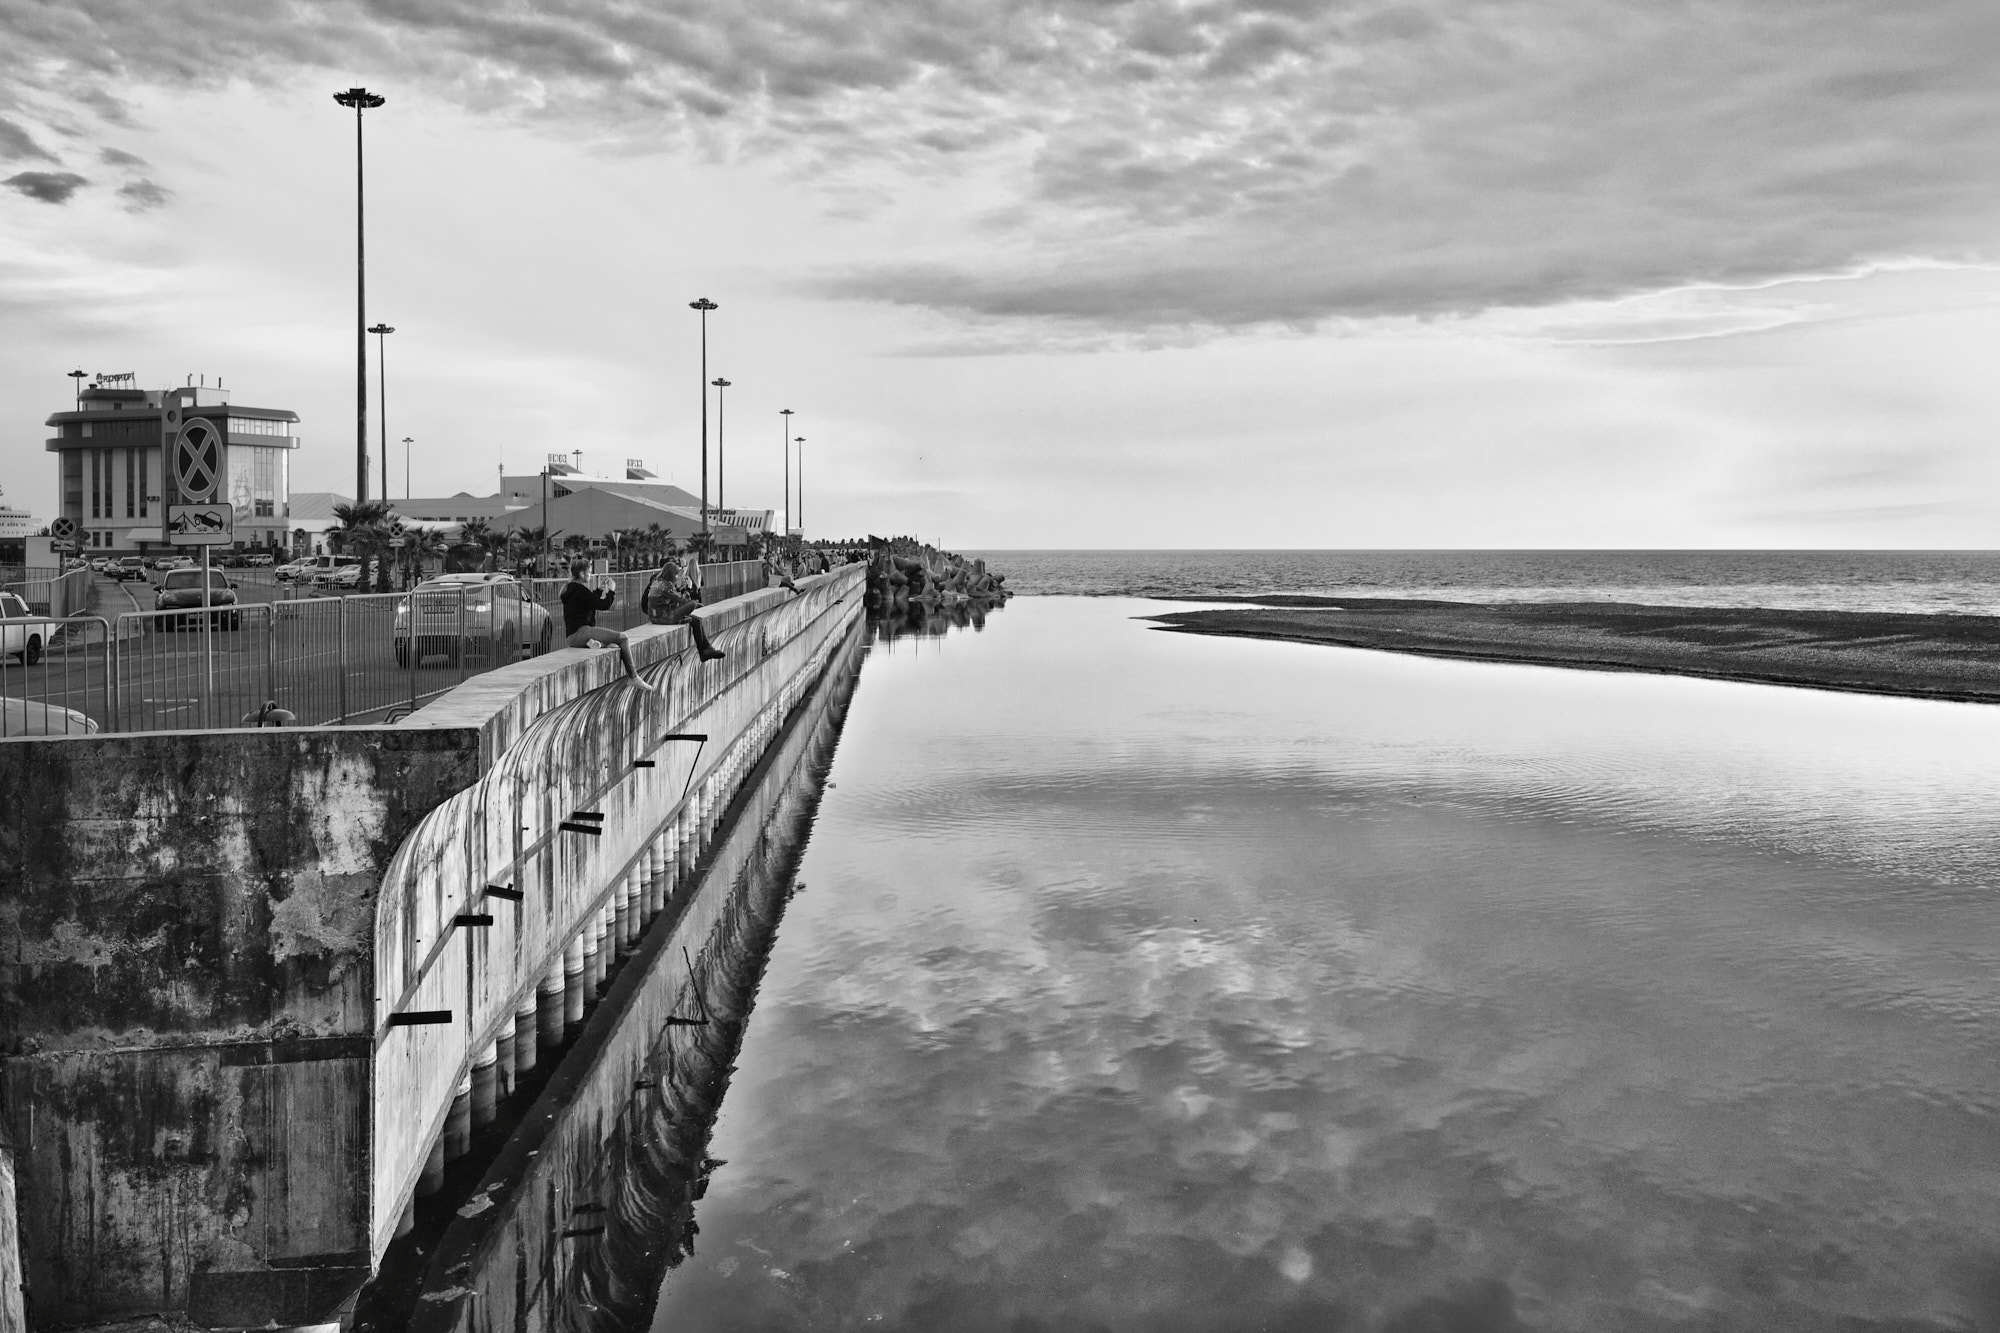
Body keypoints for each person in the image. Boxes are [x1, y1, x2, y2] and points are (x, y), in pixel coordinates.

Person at [560, 562, 660, 691]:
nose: (590, 575)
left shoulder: (572, 589)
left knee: (613, 645)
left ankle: (593, 643)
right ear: (581, 574)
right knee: (622, 638)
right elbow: (603, 605)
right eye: (589, 572)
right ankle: (634, 678)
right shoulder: (579, 590)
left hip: (573, 636)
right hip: (581, 632)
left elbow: (589, 602)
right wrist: (611, 590)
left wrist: (600, 590)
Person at [641, 549, 727, 661]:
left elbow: (673, 601)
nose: (677, 577)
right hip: (663, 617)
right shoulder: (665, 585)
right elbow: (681, 600)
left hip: (659, 616)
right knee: (693, 603)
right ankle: (705, 650)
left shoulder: (658, 582)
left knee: (696, 621)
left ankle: (705, 650)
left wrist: (682, 590)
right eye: (676, 575)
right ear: (671, 574)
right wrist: (688, 591)